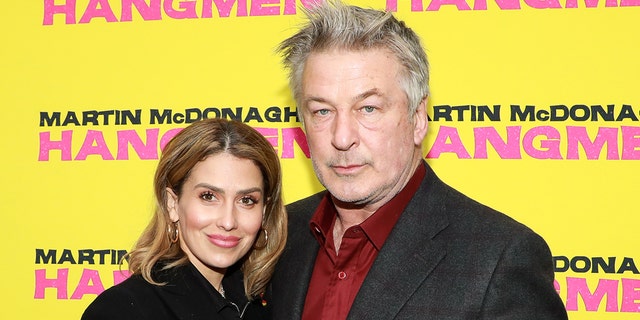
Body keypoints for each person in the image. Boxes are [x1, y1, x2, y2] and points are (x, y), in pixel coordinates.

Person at [267, 1, 568, 319]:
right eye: (322, 111)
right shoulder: (276, 235)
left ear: (418, 118)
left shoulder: (499, 261)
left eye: (368, 108)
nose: (342, 138)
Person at [82, 118, 287, 320]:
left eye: (247, 200)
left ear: (264, 210)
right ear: (172, 203)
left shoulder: (267, 305)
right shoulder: (122, 311)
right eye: (208, 196)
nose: (228, 221)